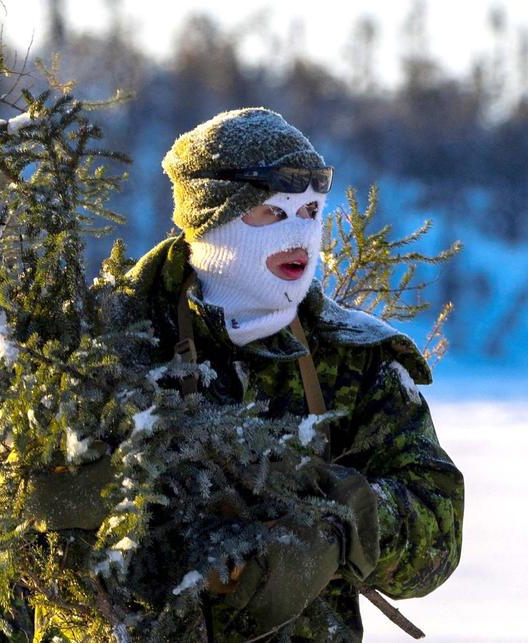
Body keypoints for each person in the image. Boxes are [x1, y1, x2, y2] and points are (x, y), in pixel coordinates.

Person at [27, 108, 463, 641]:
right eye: (271, 214)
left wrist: (339, 527)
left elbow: (438, 527)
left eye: (309, 211)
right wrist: (69, 504)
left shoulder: (355, 358)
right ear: (210, 220)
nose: (299, 234)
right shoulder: (94, 340)